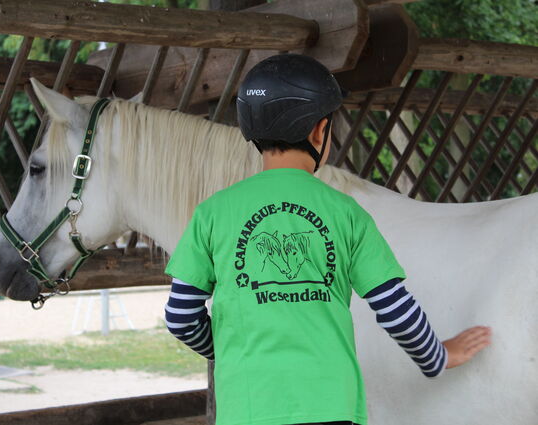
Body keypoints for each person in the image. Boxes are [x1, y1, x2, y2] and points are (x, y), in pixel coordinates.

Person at [163, 54, 491, 425]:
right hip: (332, 404)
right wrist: (438, 358)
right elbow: (394, 308)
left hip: (249, 407)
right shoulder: (345, 212)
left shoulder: (212, 213)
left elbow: (180, 317)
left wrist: (229, 350)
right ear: (320, 131)